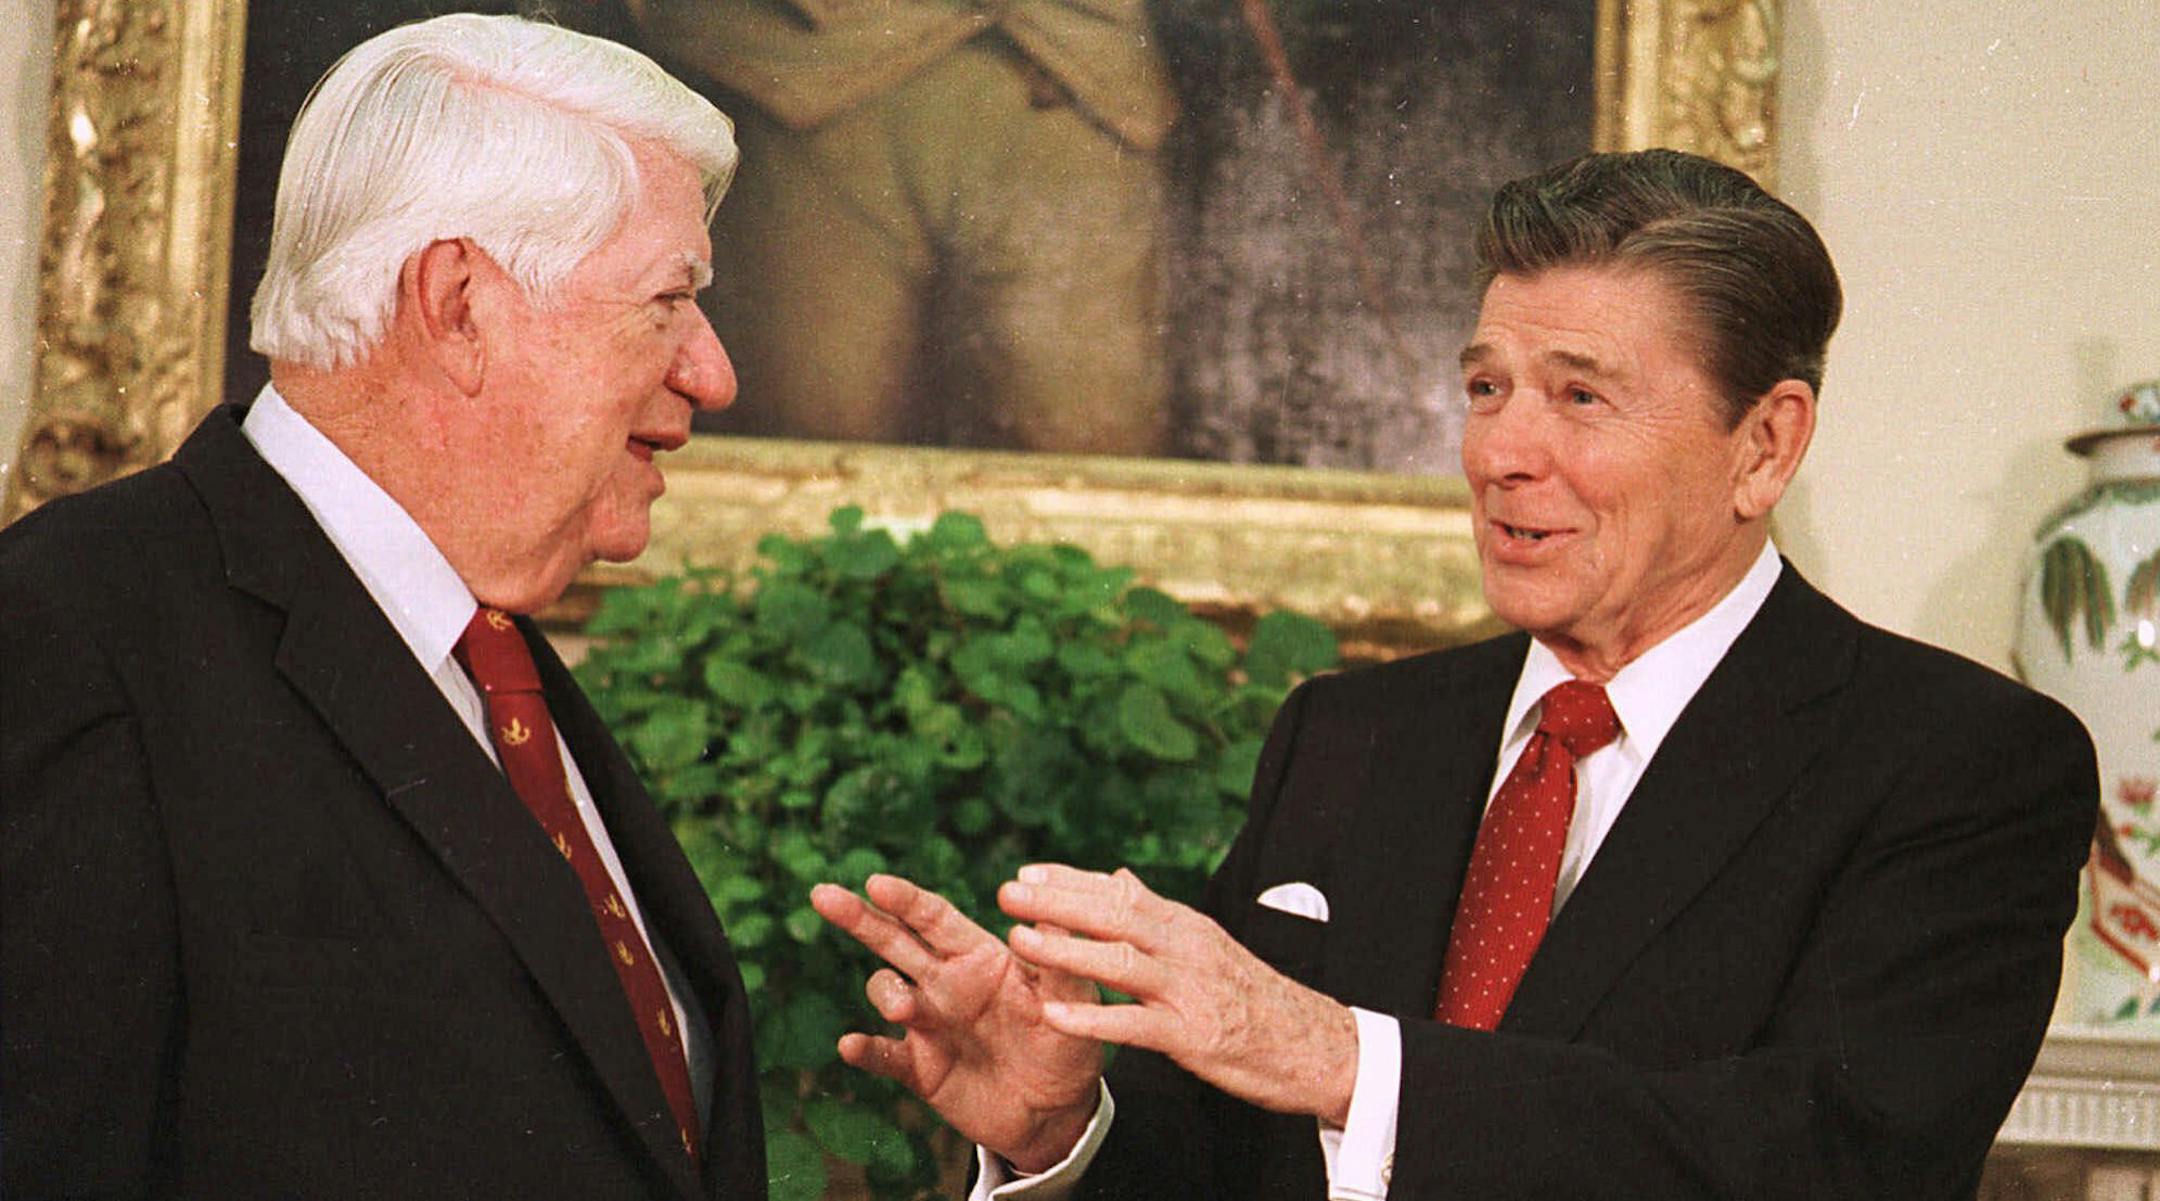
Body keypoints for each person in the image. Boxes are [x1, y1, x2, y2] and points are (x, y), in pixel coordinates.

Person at [811, 149, 2099, 1199]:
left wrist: (1344, 1058)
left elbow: (1841, 1157)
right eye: (1487, 386)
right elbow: (1234, 1160)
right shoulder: (1352, 731)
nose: (1501, 452)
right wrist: (1061, 1126)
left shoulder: (1957, 760)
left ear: (1764, 444)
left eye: (1580, 397)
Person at [1, 15, 765, 1198]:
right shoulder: (70, 639)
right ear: (459, 303)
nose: (711, 371)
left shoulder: (490, 661)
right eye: (667, 301)